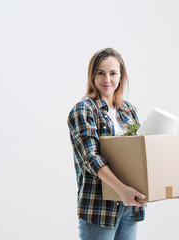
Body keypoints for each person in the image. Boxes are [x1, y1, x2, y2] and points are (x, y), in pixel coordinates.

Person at [67, 48, 146, 240]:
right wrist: (122, 190)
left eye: (113, 73)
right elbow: (91, 158)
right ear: (92, 76)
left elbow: (141, 154)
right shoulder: (84, 109)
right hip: (100, 208)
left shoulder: (128, 110)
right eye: (100, 73)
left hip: (130, 208)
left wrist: (161, 186)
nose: (107, 80)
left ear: (121, 76)